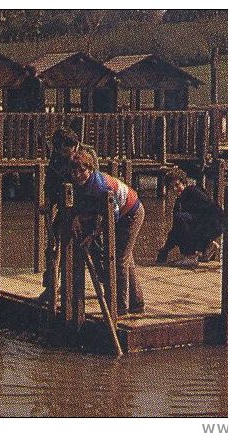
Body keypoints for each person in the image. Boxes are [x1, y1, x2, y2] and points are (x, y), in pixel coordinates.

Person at [70, 150, 145, 316]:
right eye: (75, 171)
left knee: (119, 260)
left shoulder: (100, 186)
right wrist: (76, 216)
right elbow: (80, 204)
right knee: (126, 258)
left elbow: (113, 215)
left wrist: (95, 233)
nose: (78, 175)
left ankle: (120, 307)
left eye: (82, 171)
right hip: (119, 214)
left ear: (90, 169)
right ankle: (137, 302)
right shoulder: (79, 185)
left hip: (131, 213)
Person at [38, 126, 98, 304]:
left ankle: (97, 289)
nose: (65, 155)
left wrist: (80, 216)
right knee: (53, 245)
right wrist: (48, 201)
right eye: (60, 151)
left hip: (84, 207)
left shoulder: (88, 154)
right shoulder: (57, 155)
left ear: (74, 145)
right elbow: (50, 179)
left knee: (89, 250)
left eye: (66, 151)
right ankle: (51, 287)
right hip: (63, 204)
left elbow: (91, 184)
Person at [156, 169, 225, 268]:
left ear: (184, 182)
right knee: (180, 221)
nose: (175, 189)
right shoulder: (179, 203)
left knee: (181, 218)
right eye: (172, 188)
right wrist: (165, 249)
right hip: (204, 226)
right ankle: (207, 247)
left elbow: (213, 209)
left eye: (177, 185)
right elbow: (175, 230)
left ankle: (191, 256)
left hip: (213, 223)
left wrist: (207, 235)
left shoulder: (193, 191)